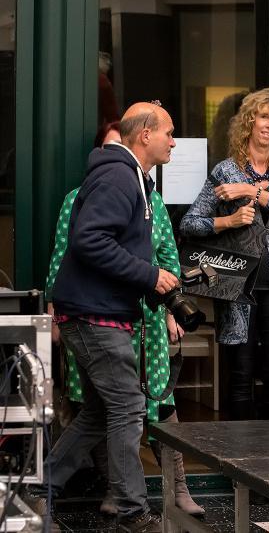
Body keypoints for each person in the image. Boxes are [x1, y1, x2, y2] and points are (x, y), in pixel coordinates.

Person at [26, 102, 179, 533]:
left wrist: (154, 283)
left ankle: (36, 488)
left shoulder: (131, 178)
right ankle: (132, 512)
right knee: (129, 405)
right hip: (94, 316)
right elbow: (89, 240)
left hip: (94, 313)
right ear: (145, 134)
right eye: (169, 133)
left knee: (98, 411)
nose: (173, 142)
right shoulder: (118, 176)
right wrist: (150, 275)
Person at [181, 88, 269, 420]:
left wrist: (252, 191)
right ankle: (238, 451)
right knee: (240, 374)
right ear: (249, 121)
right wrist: (228, 221)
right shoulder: (226, 171)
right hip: (236, 285)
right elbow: (190, 223)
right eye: (264, 117)